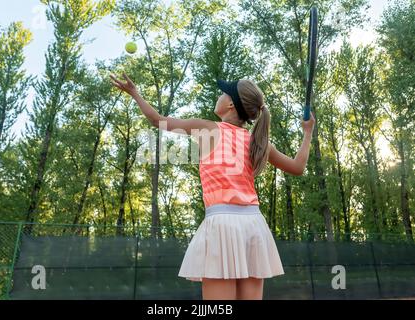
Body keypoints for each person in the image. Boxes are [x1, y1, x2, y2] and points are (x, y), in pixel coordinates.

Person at [110, 73, 316, 300]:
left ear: (230, 104)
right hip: (254, 225)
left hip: (223, 223)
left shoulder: (209, 129)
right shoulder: (258, 142)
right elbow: (297, 166)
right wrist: (307, 132)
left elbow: (157, 120)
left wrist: (135, 93)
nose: (220, 95)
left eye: (224, 92)